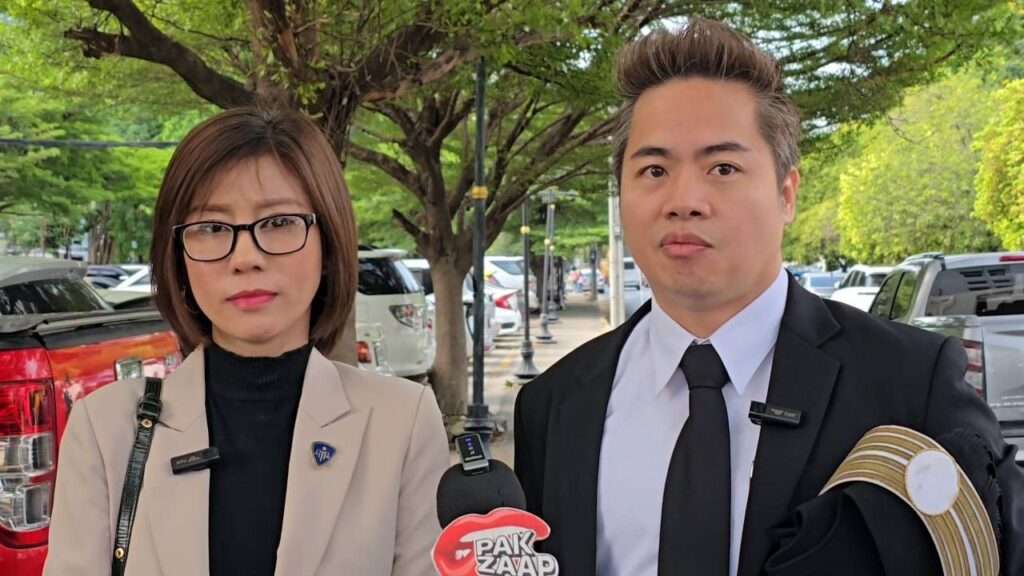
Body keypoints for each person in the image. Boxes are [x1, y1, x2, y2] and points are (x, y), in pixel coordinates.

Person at [513, 18, 1023, 576]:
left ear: (786, 194)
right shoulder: (554, 405)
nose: (684, 200)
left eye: (723, 167)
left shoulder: (910, 382)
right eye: (654, 169)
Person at [45, 107, 449, 576]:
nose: (245, 257)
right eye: (212, 228)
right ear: (178, 258)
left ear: (328, 243)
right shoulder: (105, 429)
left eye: (278, 222)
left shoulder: (402, 421)